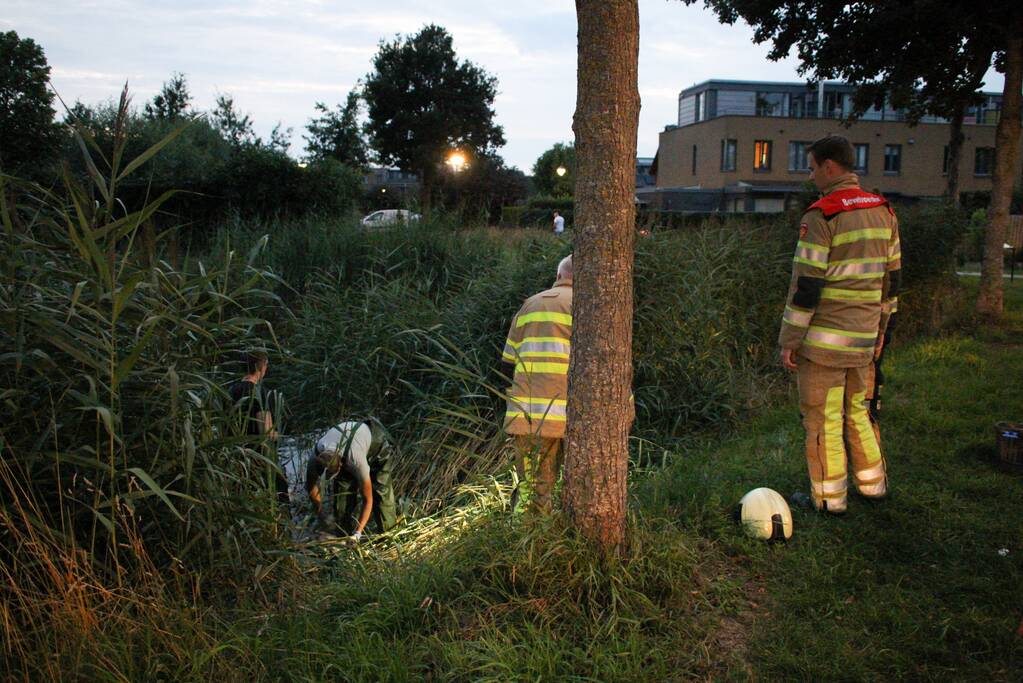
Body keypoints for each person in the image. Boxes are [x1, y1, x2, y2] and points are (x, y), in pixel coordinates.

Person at [778, 135, 901, 514]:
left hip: (825, 344)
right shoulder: (884, 212)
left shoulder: (823, 215)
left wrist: (790, 339)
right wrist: (882, 333)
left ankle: (830, 499)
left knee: (824, 417)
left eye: (813, 166)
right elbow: (891, 281)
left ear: (830, 166)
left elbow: (807, 286)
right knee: (859, 411)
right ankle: (873, 486)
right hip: (864, 340)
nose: (811, 174)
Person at [501, 255, 573, 512]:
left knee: (533, 490)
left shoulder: (529, 306)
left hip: (527, 417)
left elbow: (507, 363)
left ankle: (524, 541)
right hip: (571, 417)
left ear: (558, 277)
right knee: (574, 489)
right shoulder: (589, 306)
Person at [305, 419, 397, 540]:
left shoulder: (356, 459)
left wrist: (358, 533)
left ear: (341, 466)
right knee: (341, 501)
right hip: (346, 445)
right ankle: (343, 537)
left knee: (381, 493)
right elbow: (311, 486)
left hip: (375, 444)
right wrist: (321, 514)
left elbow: (367, 500)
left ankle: (388, 536)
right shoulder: (315, 457)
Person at [229, 350, 289, 507]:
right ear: (262, 367)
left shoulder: (231, 390)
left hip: (235, 455)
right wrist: (279, 435)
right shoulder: (261, 393)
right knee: (279, 491)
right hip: (260, 456)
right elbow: (267, 432)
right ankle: (281, 527)